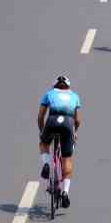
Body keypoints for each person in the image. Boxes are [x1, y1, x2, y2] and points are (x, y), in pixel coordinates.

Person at [37, 75, 83, 208]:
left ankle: (46, 164)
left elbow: (40, 116)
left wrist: (42, 132)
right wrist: (75, 132)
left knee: (44, 143)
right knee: (67, 158)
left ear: (55, 86)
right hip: (68, 124)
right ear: (68, 86)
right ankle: (65, 192)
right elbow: (78, 120)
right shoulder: (74, 96)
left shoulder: (49, 94)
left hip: (52, 121)